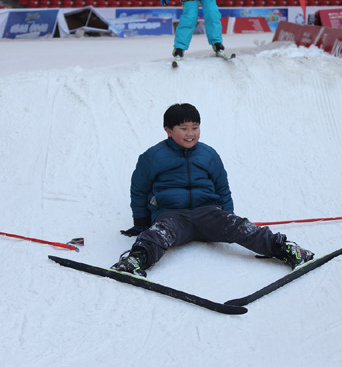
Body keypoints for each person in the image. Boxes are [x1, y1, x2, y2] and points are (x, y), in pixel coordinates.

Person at [112, 103, 314, 277]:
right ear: (168, 130)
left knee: (242, 228)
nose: (190, 133)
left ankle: (286, 249)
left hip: (207, 212)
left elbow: (222, 188)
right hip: (172, 215)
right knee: (157, 234)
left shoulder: (209, 155)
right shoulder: (152, 156)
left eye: (195, 127)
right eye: (183, 128)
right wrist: (141, 222)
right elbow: (139, 189)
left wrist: (227, 215)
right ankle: (135, 260)